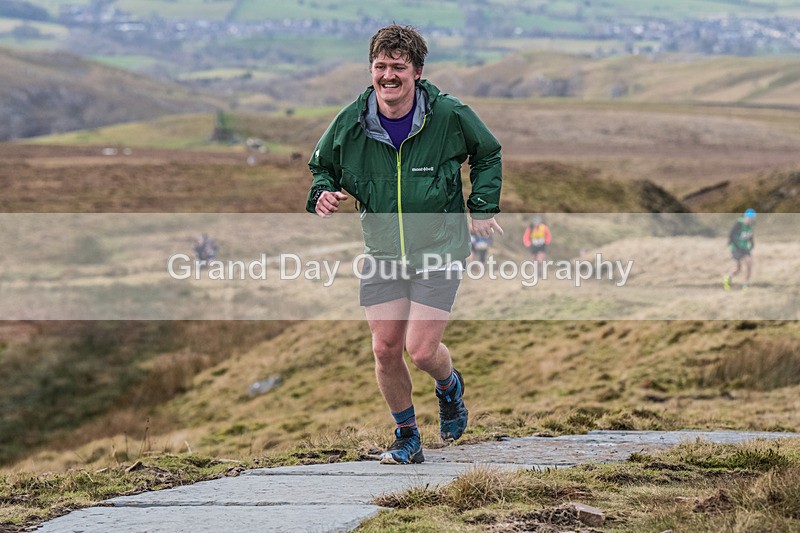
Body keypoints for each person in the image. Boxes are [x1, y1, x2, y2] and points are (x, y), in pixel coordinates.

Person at [306, 25, 502, 465]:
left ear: (416, 71)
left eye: (398, 67)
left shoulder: (448, 114)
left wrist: (483, 205)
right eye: (380, 66)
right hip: (382, 255)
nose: (388, 75)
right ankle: (406, 435)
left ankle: (450, 387)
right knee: (384, 349)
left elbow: (488, 152)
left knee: (421, 350)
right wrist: (322, 193)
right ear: (371, 69)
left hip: (439, 250)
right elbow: (322, 167)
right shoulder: (351, 121)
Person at [724, 208, 756, 291]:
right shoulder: (739, 224)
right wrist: (735, 245)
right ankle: (728, 277)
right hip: (736, 247)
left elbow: (750, 234)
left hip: (745, 247)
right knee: (737, 269)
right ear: (745, 216)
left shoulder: (751, 225)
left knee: (749, 264)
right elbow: (731, 235)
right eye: (750, 217)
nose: (751, 219)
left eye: (752, 217)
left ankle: (745, 284)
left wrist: (752, 243)